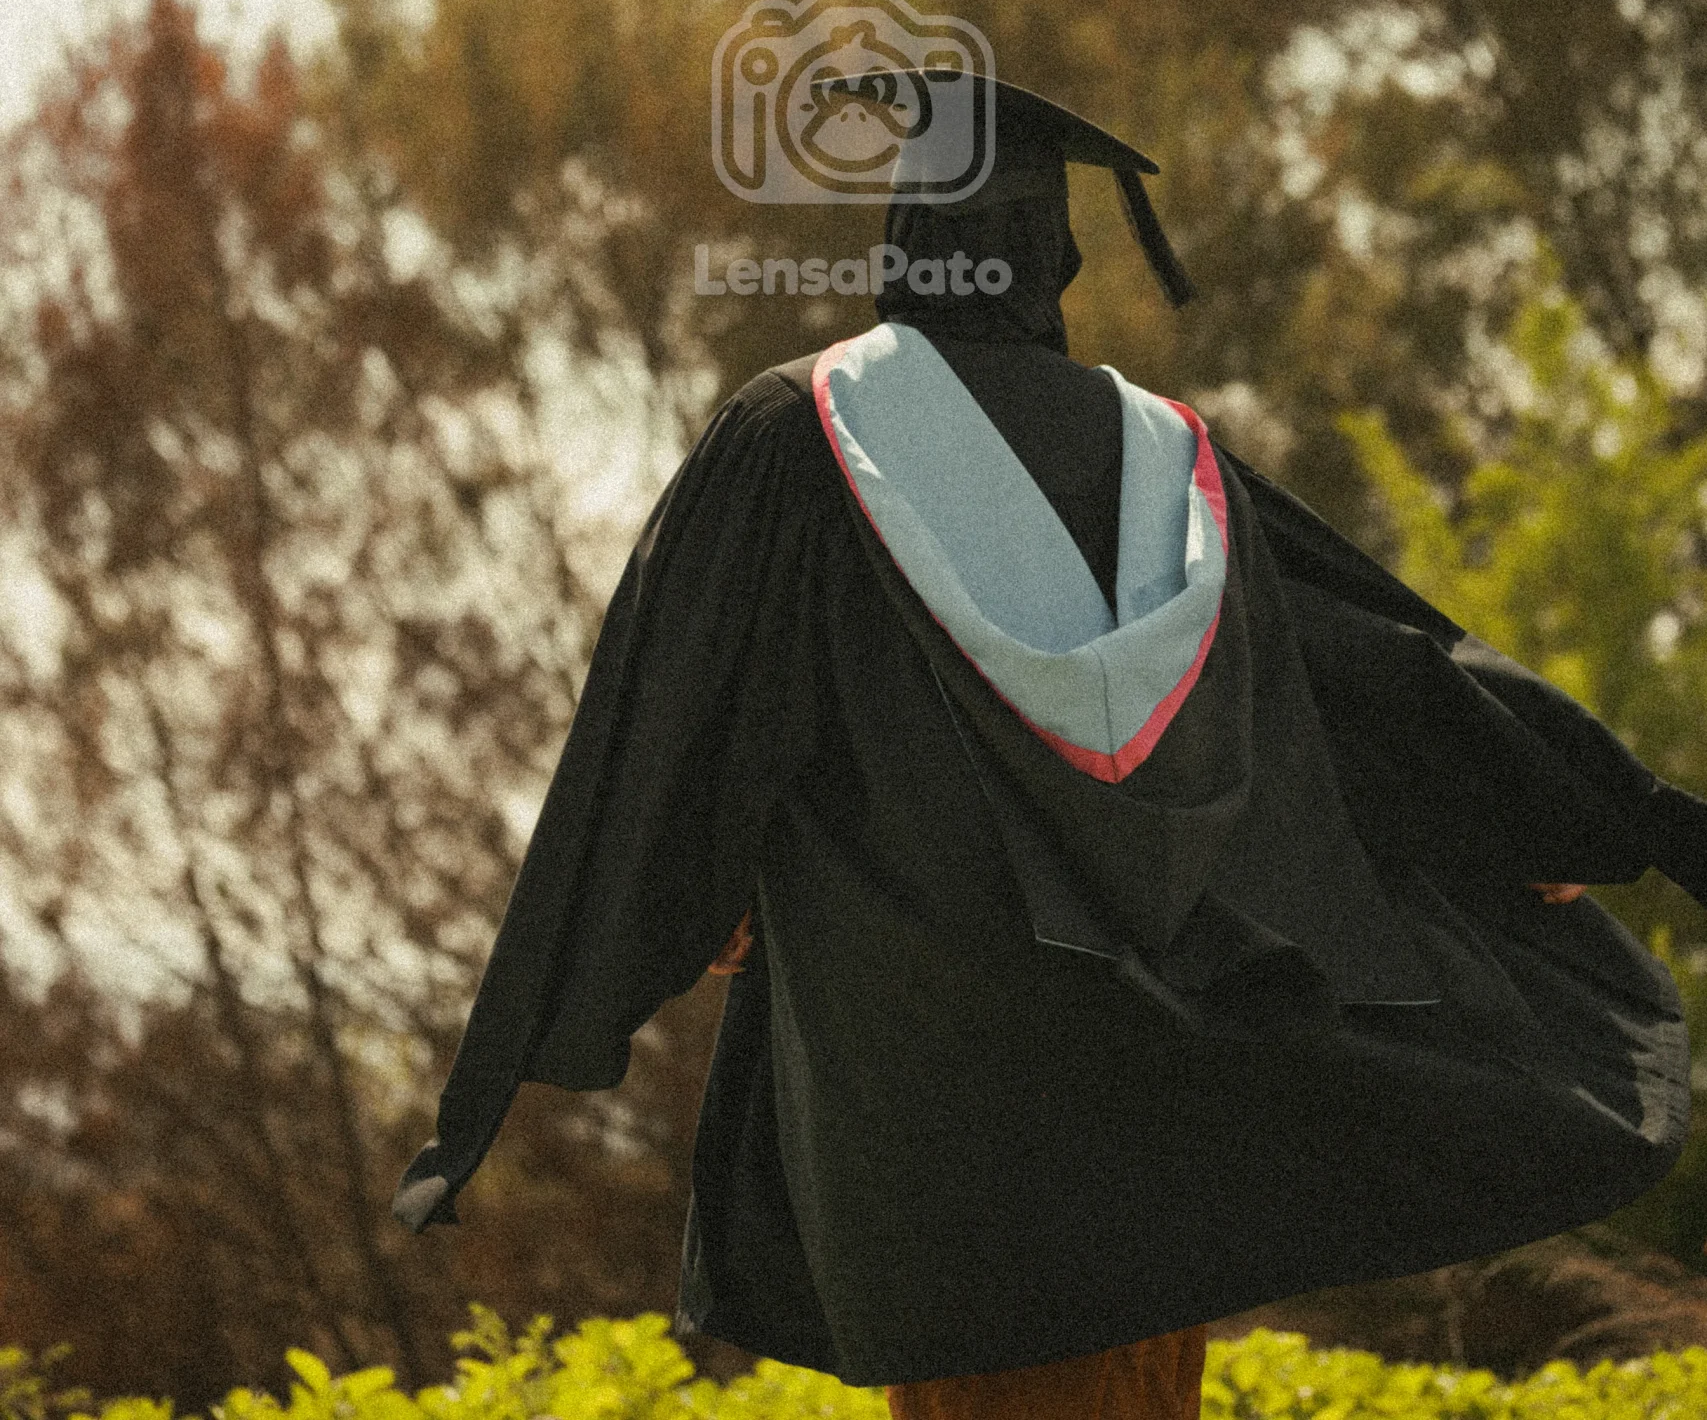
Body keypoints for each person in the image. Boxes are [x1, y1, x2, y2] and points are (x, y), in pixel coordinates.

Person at [394, 76, 1707, 1419]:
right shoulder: (1169, 457)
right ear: (1056, 256)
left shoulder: (799, 437)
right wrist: (1561, 816)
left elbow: (671, 723)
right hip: (1163, 1077)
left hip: (932, 1093)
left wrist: (678, 908)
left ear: (901, 239)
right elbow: (1382, 670)